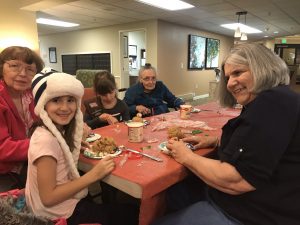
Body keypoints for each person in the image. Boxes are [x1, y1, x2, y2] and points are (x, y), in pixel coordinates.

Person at [152, 43, 300, 225]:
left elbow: (237, 180)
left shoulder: (270, 104)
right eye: (228, 77)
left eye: (238, 73)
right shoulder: (279, 99)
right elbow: (260, 145)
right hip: (265, 200)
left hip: (253, 212)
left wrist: (186, 156)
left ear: (262, 68)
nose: (229, 83)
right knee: (177, 189)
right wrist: (215, 141)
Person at [25, 69, 138, 225]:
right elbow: (48, 197)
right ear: (43, 104)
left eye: (70, 100)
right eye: (56, 100)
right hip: (56, 214)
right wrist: (94, 175)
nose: (65, 107)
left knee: (112, 207)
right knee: (133, 213)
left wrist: (74, 146)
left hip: (59, 205)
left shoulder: (54, 131)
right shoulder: (45, 140)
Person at [0, 46, 44, 192]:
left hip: (27, 161)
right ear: (1, 68)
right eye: (14, 66)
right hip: (5, 172)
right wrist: (47, 143)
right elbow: (2, 149)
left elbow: (45, 121)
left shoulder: (30, 94)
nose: (23, 73)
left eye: (30, 69)